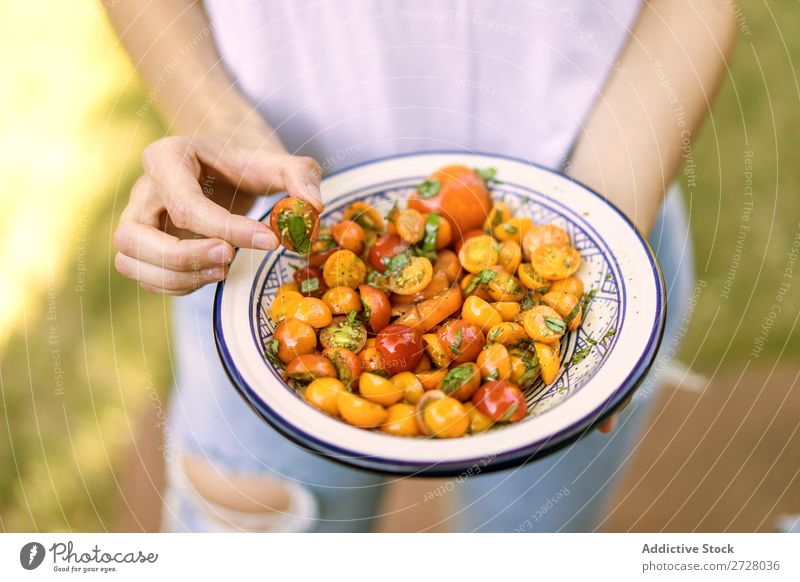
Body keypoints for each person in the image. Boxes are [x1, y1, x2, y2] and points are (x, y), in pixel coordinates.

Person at [107, 1, 735, 532]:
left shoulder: (538, 285)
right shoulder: (320, 315)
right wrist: (218, 129)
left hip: (601, 202)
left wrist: (600, 236)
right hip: (260, 257)